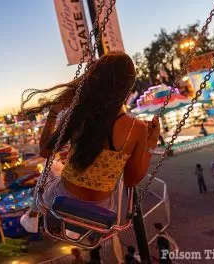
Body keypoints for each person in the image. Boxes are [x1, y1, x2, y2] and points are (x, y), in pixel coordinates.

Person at [20, 52, 160, 233]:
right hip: (101, 209)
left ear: (95, 81)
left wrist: (54, 113)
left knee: (52, 165)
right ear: (128, 87)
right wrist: (151, 144)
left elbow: (46, 151)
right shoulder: (137, 128)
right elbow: (132, 180)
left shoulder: (80, 115)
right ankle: (73, 226)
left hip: (61, 198)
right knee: (112, 181)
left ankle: (31, 216)